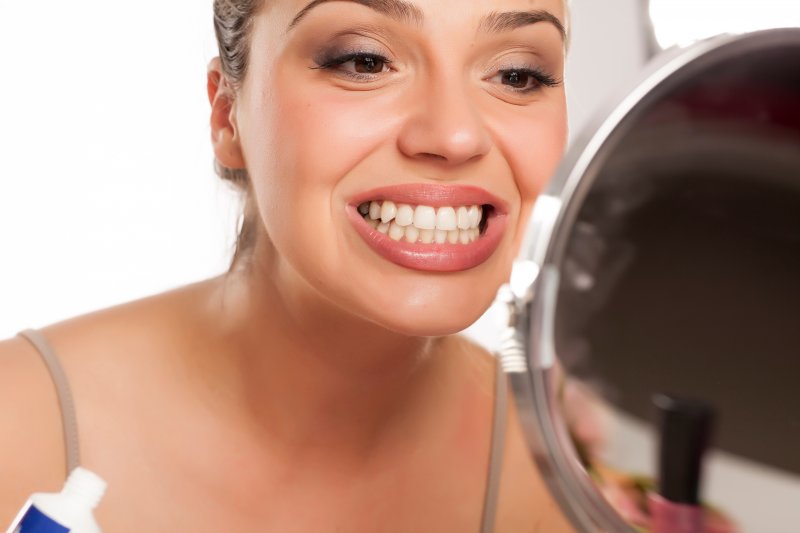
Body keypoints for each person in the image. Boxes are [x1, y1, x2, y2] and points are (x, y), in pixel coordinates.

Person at [0, 0, 572, 530]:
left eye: (517, 75)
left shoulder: (580, 479)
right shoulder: (16, 425)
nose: (455, 135)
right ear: (227, 116)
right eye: (364, 61)